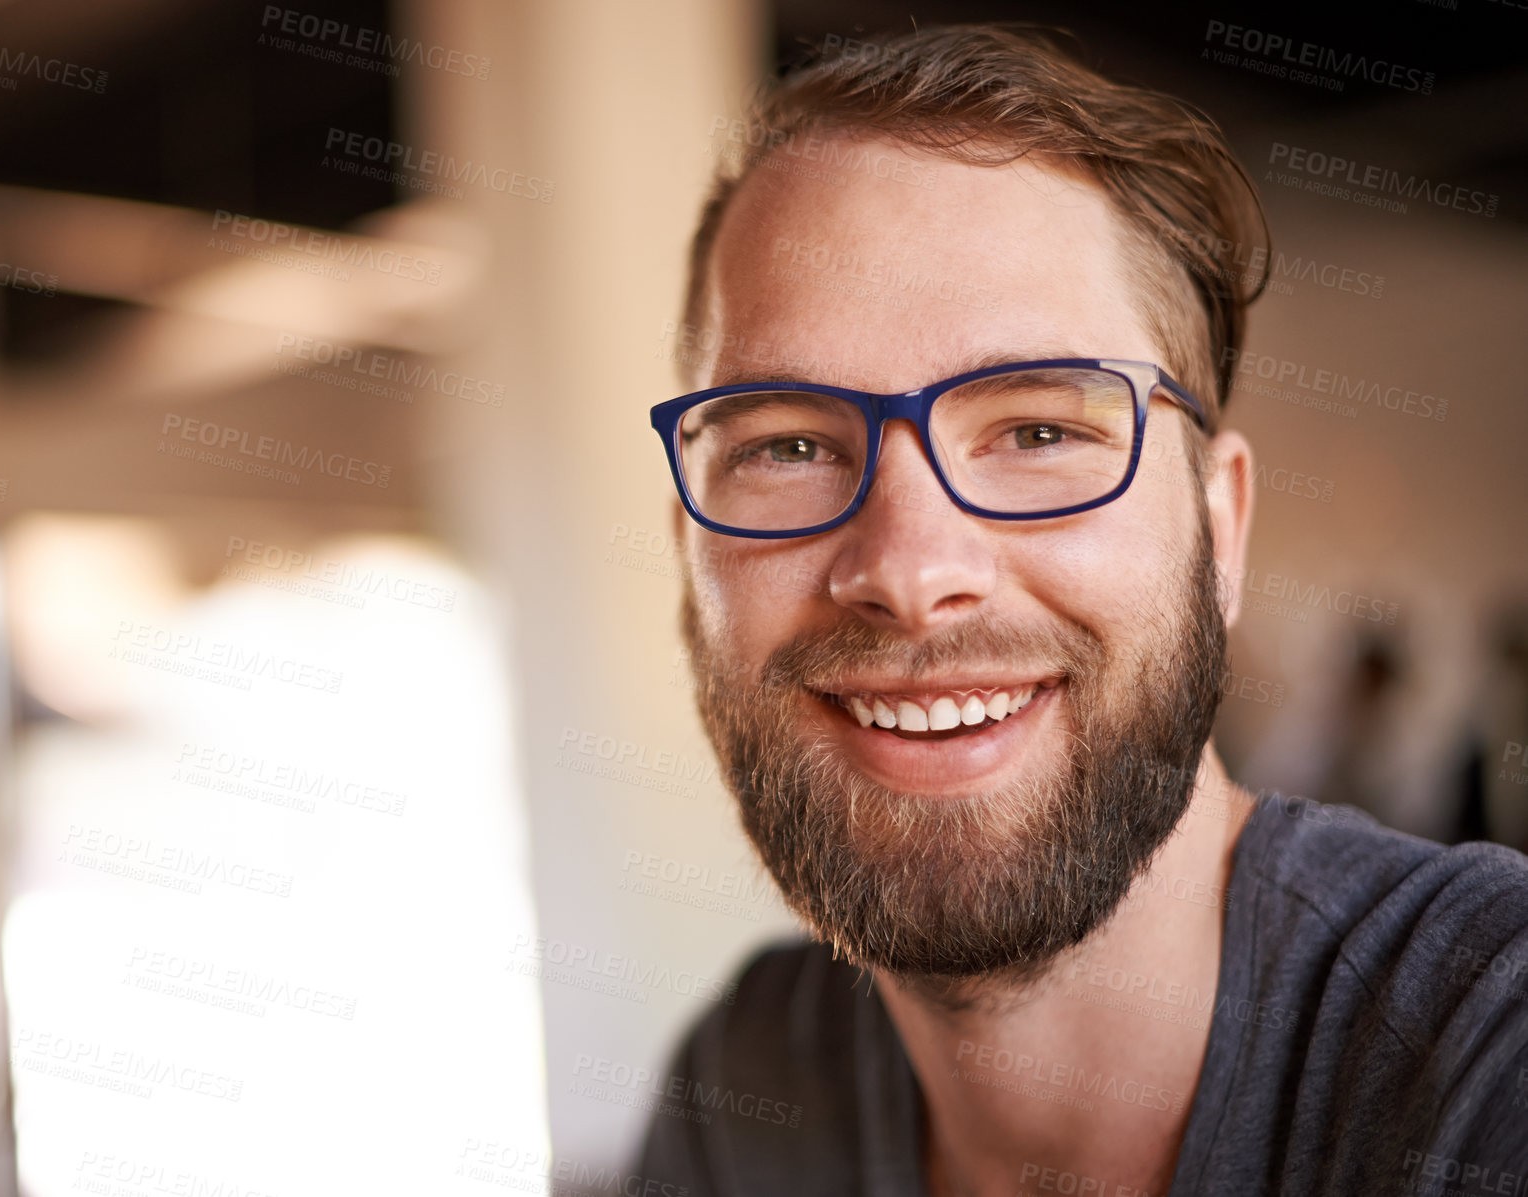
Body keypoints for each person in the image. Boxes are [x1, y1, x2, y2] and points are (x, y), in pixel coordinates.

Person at [638, 25, 1528, 1196]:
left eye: (1038, 431)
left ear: (1220, 530)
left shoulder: (1487, 1053)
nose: (911, 570)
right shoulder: (749, 1082)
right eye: (789, 447)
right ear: (688, 551)